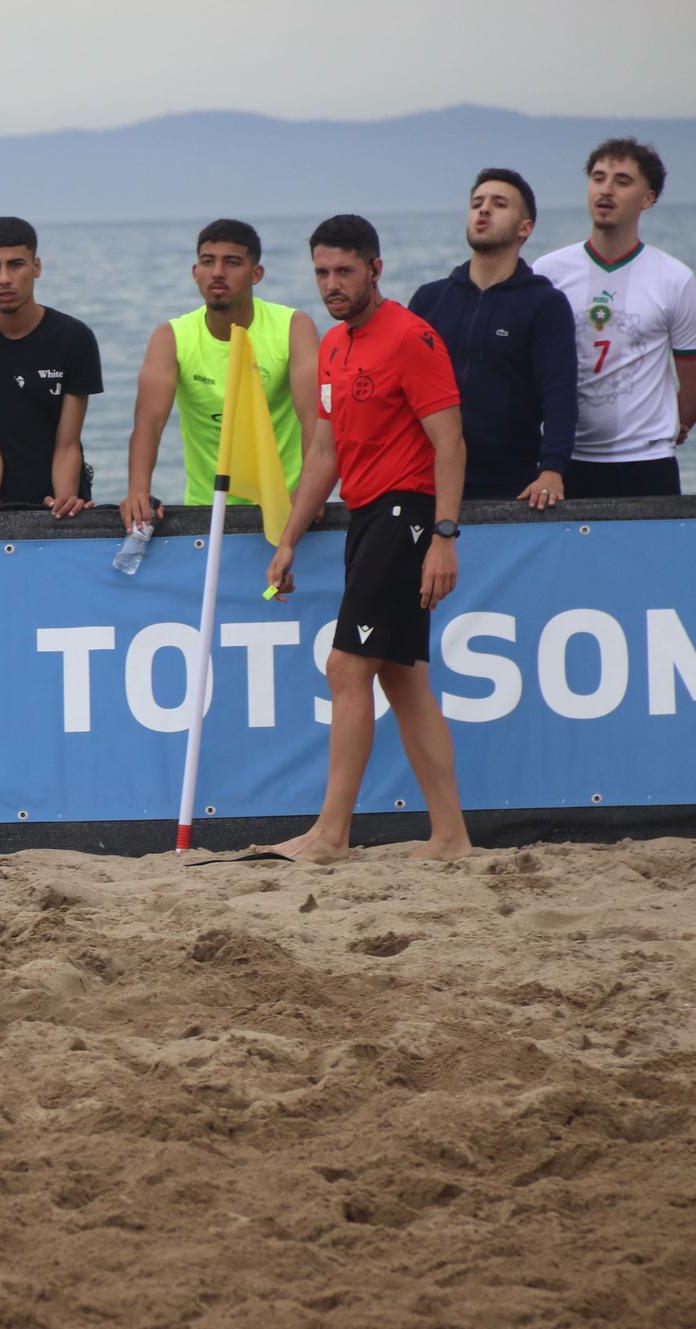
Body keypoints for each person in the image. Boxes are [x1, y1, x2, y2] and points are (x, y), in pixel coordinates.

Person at [264, 215, 472, 865]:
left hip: (408, 513)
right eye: (322, 272)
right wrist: (291, 537)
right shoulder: (332, 346)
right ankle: (450, 837)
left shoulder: (412, 337)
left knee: (345, 666)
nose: (332, 284)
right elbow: (324, 451)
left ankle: (330, 834)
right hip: (365, 516)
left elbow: (450, 442)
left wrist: (443, 535)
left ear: (375, 269)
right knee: (405, 682)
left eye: (344, 271)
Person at [119, 219, 318, 530]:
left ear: (257, 274)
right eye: (208, 262)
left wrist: (310, 491)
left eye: (232, 262)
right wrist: (137, 492)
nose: (218, 273)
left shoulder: (293, 327)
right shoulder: (171, 336)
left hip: (284, 504)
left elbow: (314, 418)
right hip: (207, 507)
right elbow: (149, 423)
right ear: (195, 272)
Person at [532, 137, 696, 497]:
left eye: (622, 181)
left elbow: (691, 374)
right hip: (565, 460)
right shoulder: (547, 272)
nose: (606, 190)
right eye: (598, 177)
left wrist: (677, 424)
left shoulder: (675, 278)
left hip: (647, 460)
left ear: (648, 198)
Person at [408, 170, 577, 508]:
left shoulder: (544, 304)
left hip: (510, 484)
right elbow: (403, 392)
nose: (483, 210)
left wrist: (552, 469)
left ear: (524, 227)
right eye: (477, 203)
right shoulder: (430, 300)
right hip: (429, 478)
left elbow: (559, 396)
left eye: (499, 204)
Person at [0, 217, 106, 523]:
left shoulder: (75, 338)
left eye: (16, 265)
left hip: (64, 497)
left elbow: (67, 443)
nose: (4, 278)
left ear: (37, 267)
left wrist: (64, 502)